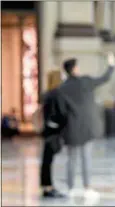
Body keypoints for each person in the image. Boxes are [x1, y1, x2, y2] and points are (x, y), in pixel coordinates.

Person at [58, 53, 115, 202]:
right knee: (86, 158)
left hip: (70, 129)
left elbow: (60, 110)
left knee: (71, 160)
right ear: (75, 69)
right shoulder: (85, 81)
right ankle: (87, 188)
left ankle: (70, 189)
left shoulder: (62, 88)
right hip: (86, 128)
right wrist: (111, 65)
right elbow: (105, 78)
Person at [40, 70, 66, 198]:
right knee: (48, 160)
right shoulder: (57, 94)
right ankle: (48, 188)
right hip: (53, 132)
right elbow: (60, 114)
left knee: (46, 160)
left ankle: (46, 186)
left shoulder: (47, 94)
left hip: (47, 131)